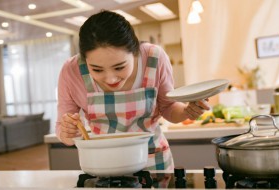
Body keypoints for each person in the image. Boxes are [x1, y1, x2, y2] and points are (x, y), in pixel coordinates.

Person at [56, 10, 210, 171]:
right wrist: (67, 133)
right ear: (84, 59)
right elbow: (62, 127)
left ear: (135, 51)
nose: (111, 79)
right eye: (97, 69)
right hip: (103, 165)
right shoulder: (71, 71)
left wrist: (187, 111)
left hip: (153, 162)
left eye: (119, 67)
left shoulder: (154, 58)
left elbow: (168, 108)